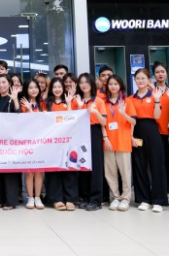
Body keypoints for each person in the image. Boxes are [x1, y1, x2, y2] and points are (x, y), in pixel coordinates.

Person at [128, 68, 168, 213]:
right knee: (139, 164)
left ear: (149, 80)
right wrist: (131, 136)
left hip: (152, 130)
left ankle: (158, 200)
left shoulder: (155, 95)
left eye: (143, 78)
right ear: (134, 80)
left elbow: (157, 116)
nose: (140, 81)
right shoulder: (130, 98)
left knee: (156, 164)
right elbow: (130, 119)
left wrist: (156, 100)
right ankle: (143, 199)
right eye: (138, 78)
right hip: (137, 131)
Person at [73, 73, 107, 211]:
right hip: (80, 133)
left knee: (96, 166)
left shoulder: (99, 101)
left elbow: (104, 122)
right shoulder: (76, 100)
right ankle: (85, 197)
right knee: (83, 164)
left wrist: (95, 112)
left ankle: (96, 200)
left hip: (94, 132)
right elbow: (73, 120)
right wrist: (79, 107)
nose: (84, 85)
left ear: (92, 84)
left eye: (86, 82)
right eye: (81, 82)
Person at [104, 75, 137, 212]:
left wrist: (123, 113)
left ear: (120, 86)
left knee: (125, 171)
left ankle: (125, 198)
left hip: (123, 141)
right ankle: (115, 197)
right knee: (110, 172)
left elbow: (133, 122)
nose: (113, 86)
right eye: (110, 84)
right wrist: (105, 137)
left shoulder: (127, 101)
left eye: (116, 84)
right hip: (108, 142)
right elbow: (101, 123)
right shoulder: (104, 102)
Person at [45, 77, 78, 211]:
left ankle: (70, 198)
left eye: (59, 87)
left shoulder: (71, 101)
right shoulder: (46, 103)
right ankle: (56, 198)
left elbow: (73, 119)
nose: (57, 89)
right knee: (54, 169)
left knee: (69, 168)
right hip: (52, 142)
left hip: (68, 140)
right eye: (55, 87)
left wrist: (69, 103)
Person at [0, 74, 21, 210]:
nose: (1, 85)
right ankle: (0, 199)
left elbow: (19, 115)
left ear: (9, 84)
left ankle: (10, 201)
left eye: (4, 82)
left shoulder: (13, 98)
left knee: (10, 171)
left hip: (10, 139)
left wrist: (15, 99)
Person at [152, 62, 169, 207]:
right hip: (155, 132)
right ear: (154, 74)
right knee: (156, 164)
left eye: (162, 71)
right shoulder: (150, 90)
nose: (160, 74)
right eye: (157, 72)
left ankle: (168, 193)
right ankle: (157, 193)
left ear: (167, 73)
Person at [19, 78, 46, 209]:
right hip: (27, 142)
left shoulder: (43, 104)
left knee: (39, 171)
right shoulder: (22, 104)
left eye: (36, 87)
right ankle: (30, 197)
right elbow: (22, 123)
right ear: (26, 90)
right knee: (29, 171)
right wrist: (29, 110)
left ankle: (38, 197)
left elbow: (45, 122)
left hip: (41, 142)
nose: (34, 90)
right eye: (30, 88)